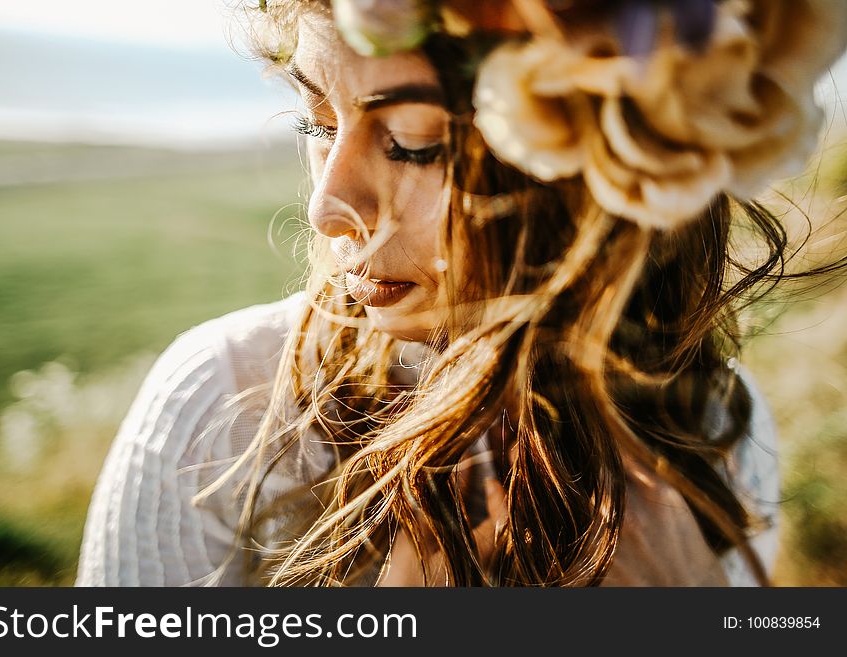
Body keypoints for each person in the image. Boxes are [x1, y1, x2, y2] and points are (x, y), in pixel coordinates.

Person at [75, 0, 847, 587]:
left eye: (415, 142)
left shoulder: (719, 426)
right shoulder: (223, 407)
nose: (326, 207)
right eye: (316, 121)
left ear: (597, 173)